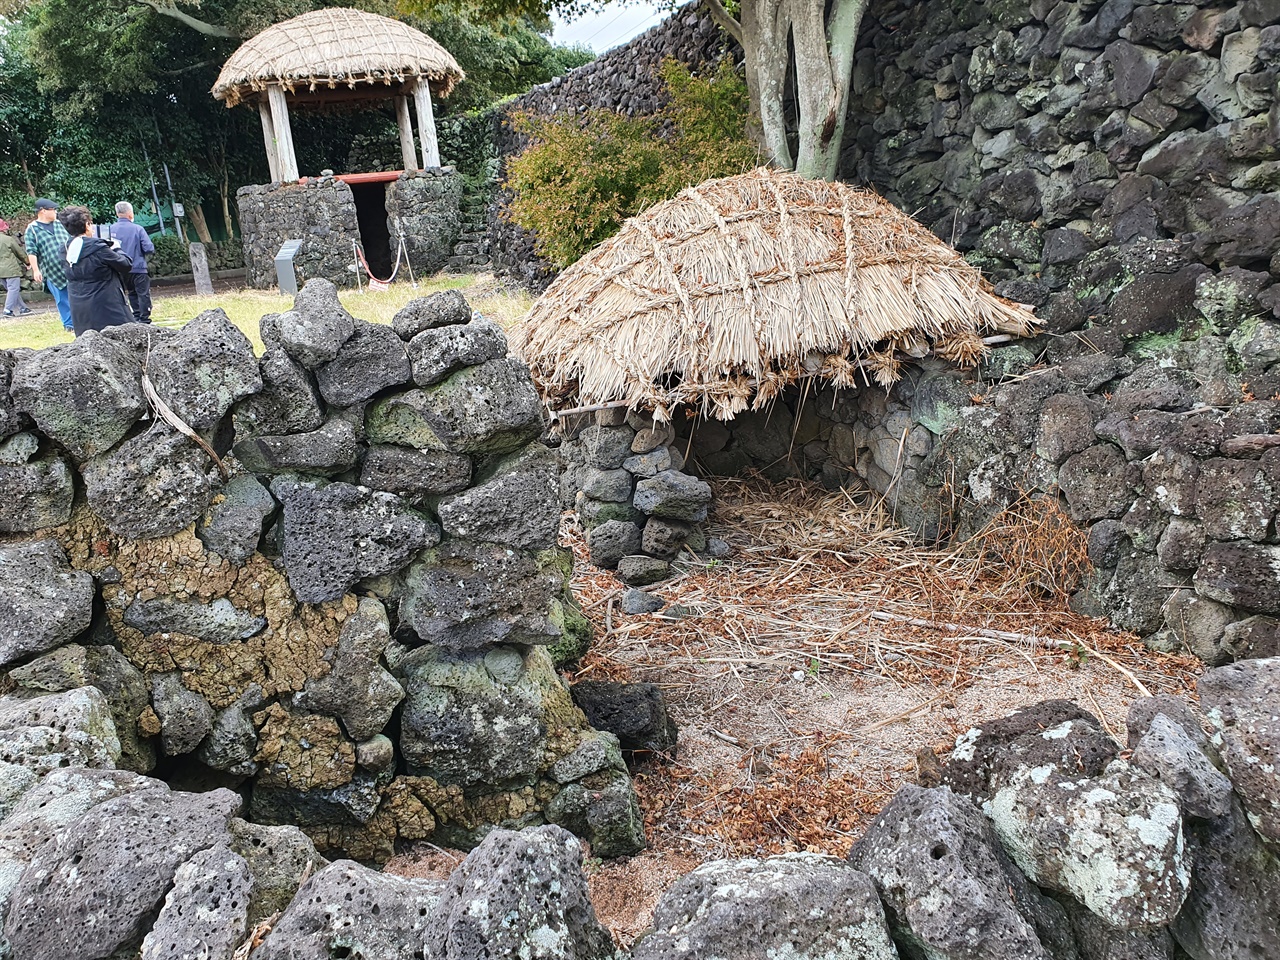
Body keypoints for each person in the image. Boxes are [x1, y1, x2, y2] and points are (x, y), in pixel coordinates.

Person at [62, 206, 133, 336]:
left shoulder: (64, 249)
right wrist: (117, 248)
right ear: (87, 225)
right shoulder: (99, 247)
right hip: (107, 304)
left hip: (79, 307)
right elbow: (125, 264)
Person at [24, 198, 73, 331]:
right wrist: (36, 270)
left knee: (75, 296)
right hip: (51, 271)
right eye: (53, 209)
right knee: (61, 298)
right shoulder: (32, 229)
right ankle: (69, 325)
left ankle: (80, 321)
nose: (55, 212)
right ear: (43, 211)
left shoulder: (60, 224)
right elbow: (31, 251)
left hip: (70, 267)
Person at [111, 201, 154, 323]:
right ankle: (145, 319)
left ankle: (135, 316)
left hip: (121, 268)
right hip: (138, 266)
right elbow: (148, 248)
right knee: (143, 293)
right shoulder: (138, 229)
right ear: (130, 213)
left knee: (131, 293)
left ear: (117, 213)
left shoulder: (110, 230)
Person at [0, 218, 32, 317]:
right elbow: (20, 253)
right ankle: (7, 310)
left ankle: (23, 308)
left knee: (12, 290)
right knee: (13, 289)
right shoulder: (7, 239)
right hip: (10, 269)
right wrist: (27, 262)